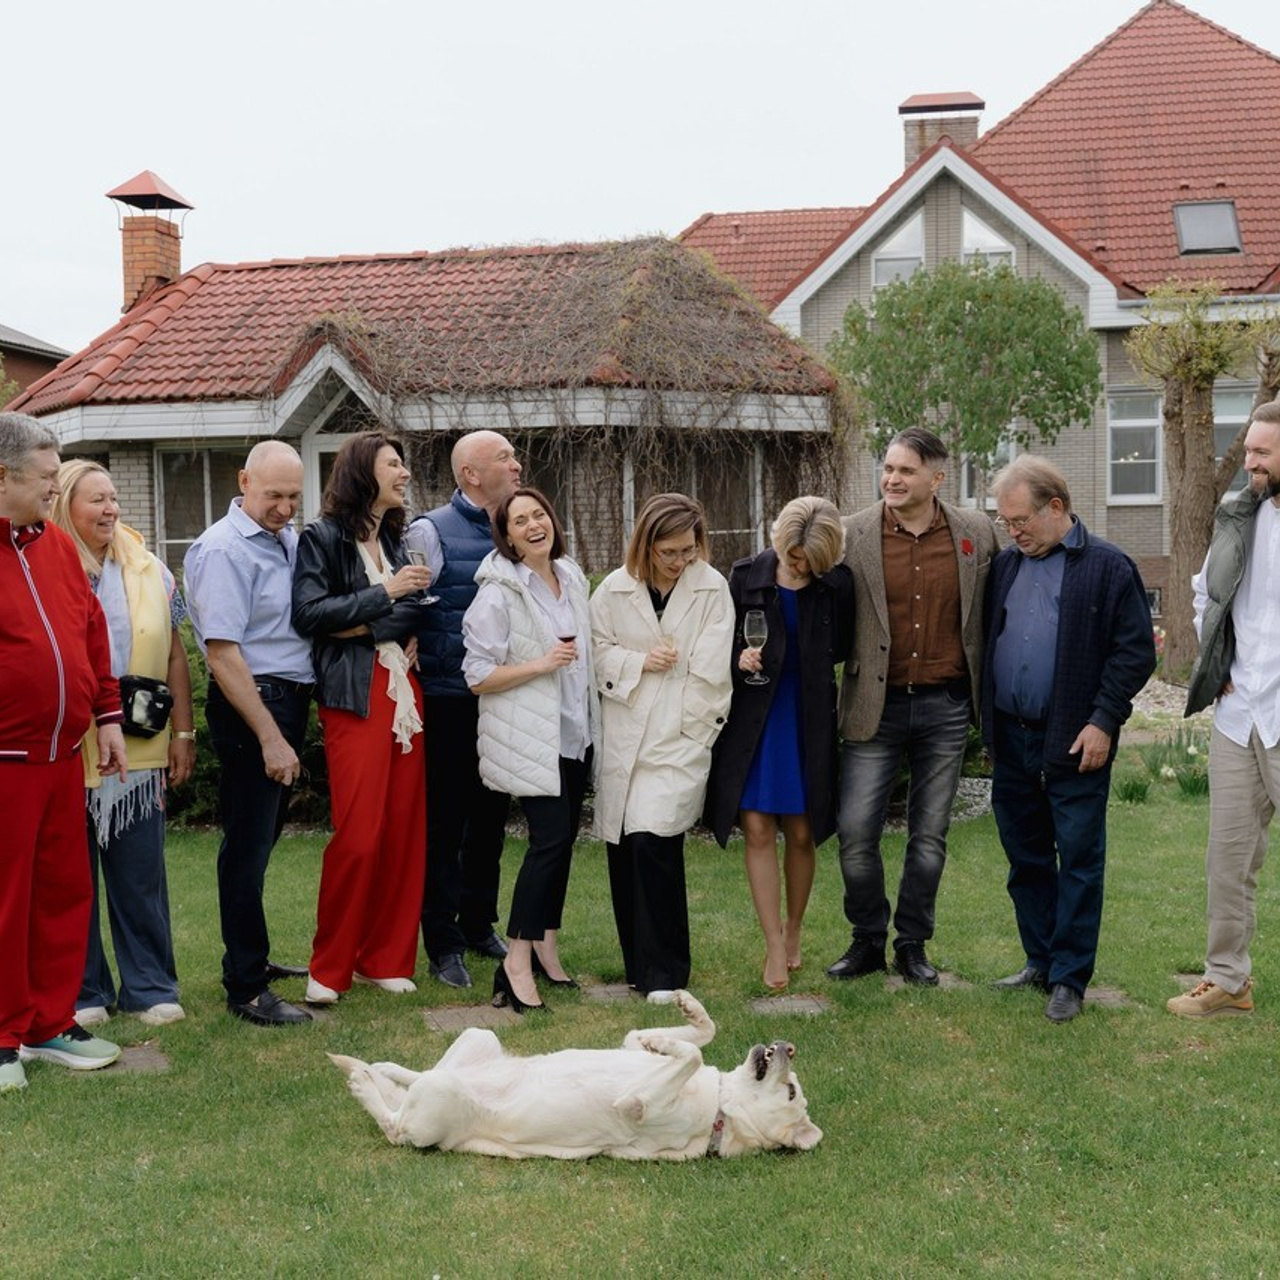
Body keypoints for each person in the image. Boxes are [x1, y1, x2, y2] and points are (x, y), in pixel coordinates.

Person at [984, 455, 1155, 1023]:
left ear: (1056, 508)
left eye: (1020, 521)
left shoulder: (1108, 567)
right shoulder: (1007, 567)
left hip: (1078, 741)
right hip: (1012, 737)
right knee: (1024, 856)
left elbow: (1135, 653)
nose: (1013, 533)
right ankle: (1040, 960)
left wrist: (1104, 720)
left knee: (1079, 859)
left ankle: (1070, 978)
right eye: (1006, 523)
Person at [828, 428, 998, 987]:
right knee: (855, 833)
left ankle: (912, 945)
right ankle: (866, 941)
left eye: (906, 471)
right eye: (888, 469)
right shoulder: (852, 535)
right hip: (874, 705)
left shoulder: (976, 533)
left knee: (929, 837)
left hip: (946, 705)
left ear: (936, 478)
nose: (893, 480)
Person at [1, 413, 127, 1094]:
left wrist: (105, 714)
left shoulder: (52, 544)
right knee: (4, 899)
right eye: (47, 477)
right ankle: (1, 1034)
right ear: (3, 476)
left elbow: (89, 629)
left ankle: (49, 1024)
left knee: (62, 892)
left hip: (59, 759)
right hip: (4, 761)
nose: (57, 488)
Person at [51, 460, 196, 1030]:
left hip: (139, 748)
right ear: (65, 505)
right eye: (97, 500)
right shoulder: (44, 570)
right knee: (72, 878)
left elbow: (175, 653)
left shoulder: (151, 570)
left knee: (140, 875)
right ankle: (85, 991)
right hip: (66, 749)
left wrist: (183, 732)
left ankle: (151, 986)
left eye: (114, 499)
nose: (111, 509)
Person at [292, 431, 431, 1006]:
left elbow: (398, 611)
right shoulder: (321, 537)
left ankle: (385, 959)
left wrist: (407, 621)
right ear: (362, 472)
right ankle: (328, 967)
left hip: (405, 690)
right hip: (356, 694)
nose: (404, 473)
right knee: (359, 832)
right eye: (393, 464)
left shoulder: (397, 540)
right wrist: (385, 601)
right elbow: (310, 614)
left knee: (403, 830)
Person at [183, 440, 315, 1027]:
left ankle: (250, 960)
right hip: (252, 706)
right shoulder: (223, 550)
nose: (286, 508)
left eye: (293, 496)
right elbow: (223, 654)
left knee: (258, 848)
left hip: (283, 701)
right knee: (244, 850)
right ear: (243, 481)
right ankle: (245, 986)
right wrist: (270, 736)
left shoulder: (282, 540)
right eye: (274, 496)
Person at [705, 497, 854, 991]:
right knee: (757, 828)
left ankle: (795, 928)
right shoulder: (745, 574)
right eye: (793, 557)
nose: (798, 567)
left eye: (809, 563)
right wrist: (738, 660)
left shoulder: (838, 586)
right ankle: (772, 942)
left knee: (803, 830)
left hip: (807, 717)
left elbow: (846, 648)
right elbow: (719, 643)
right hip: (755, 719)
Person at [463, 487, 600, 1013]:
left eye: (538, 514)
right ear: (508, 537)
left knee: (562, 845)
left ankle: (546, 944)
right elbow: (477, 676)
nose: (533, 525)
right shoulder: (498, 592)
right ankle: (515, 961)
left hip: (574, 732)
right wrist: (541, 664)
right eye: (519, 521)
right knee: (549, 842)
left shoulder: (572, 577)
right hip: (530, 738)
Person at [590, 492, 733, 995]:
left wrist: (693, 731)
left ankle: (666, 975)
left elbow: (713, 673)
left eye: (687, 551)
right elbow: (595, 653)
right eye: (668, 552)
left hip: (678, 737)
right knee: (626, 851)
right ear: (646, 545)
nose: (679, 562)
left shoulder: (711, 589)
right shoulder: (612, 589)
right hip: (625, 734)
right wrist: (637, 663)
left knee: (656, 845)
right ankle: (638, 970)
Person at [1168, 400, 1280, 1019]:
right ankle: (1228, 981)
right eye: (1251, 451)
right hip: (1240, 718)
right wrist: (1219, 664)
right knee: (1228, 857)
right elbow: (1204, 592)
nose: (1249, 463)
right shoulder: (1238, 514)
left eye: (1262, 452)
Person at [406, 431, 522, 989]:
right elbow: (411, 607)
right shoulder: (429, 531)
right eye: (505, 457)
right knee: (446, 827)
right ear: (471, 474)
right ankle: (442, 941)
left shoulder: (521, 527)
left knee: (492, 824)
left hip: (503, 699)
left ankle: (479, 924)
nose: (517, 464)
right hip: (450, 700)